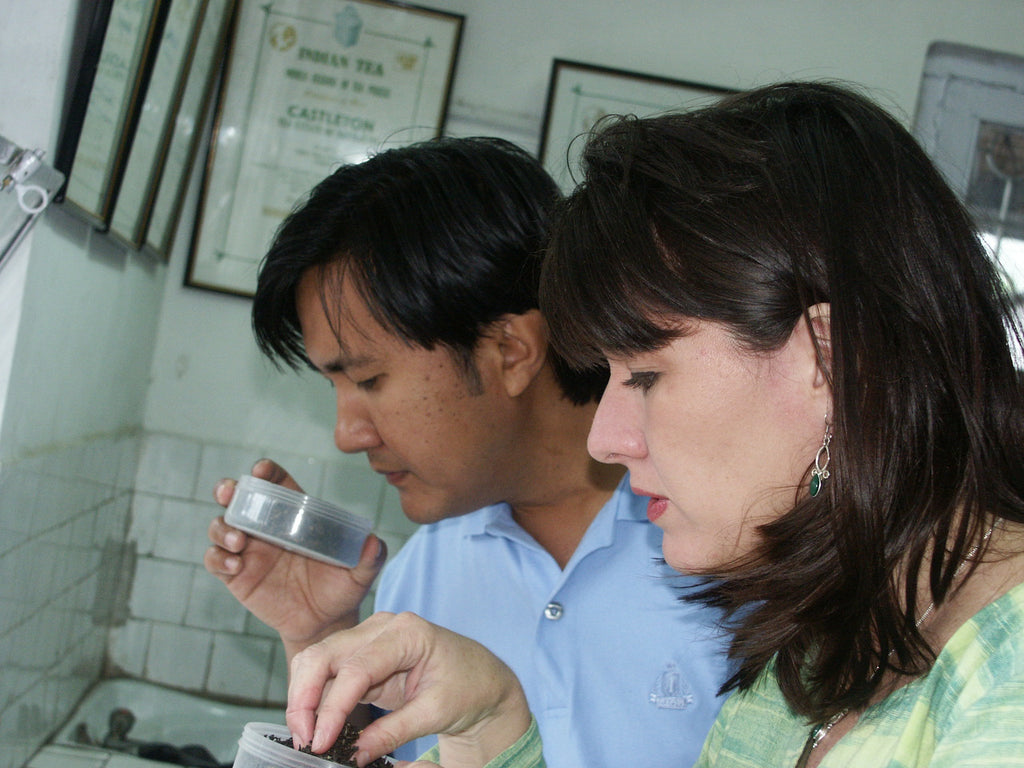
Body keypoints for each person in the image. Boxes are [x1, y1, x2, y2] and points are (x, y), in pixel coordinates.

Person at [283, 81, 1024, 768]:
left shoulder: (1008, 677)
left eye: (645, 376)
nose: (606, 438)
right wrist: (494, 721)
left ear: (830, 364)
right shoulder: (818, 657)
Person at [204, 136, 730, 766]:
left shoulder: (730, 553)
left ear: (511, 351)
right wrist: (319, 635)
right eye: (334, 386)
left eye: (370, 380)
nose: (347, 434)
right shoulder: (423, 578)